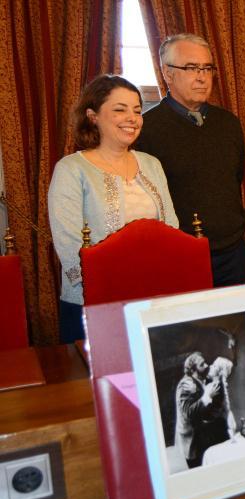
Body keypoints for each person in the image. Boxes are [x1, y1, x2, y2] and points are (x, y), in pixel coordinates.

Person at [48, 74, 178, 343]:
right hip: (94, 303)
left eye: (137, 110)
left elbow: (172, 229)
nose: (132, 118)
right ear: (93, 115)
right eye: (120, 110)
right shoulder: (71, 169)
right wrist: (105, 288)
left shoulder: (151, 163)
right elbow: (68, 243)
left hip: (152, 296)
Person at [136, 33, 245, 287]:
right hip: (177, 256)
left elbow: (234, 177)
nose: (201, 76)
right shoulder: (146, 129)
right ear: (168, 73)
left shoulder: (229, 123)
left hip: (233, 254)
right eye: (190, 68)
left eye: (207, 68)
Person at [174, 352, 229, 469]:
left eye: (205, 363)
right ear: (194, 370)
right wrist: (207, 396)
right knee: (200, 468)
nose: (207, 365)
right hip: (192, 437)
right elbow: (189, 413)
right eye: (202, 364)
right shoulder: (186, 385)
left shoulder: (202, 378)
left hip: (202, 430)